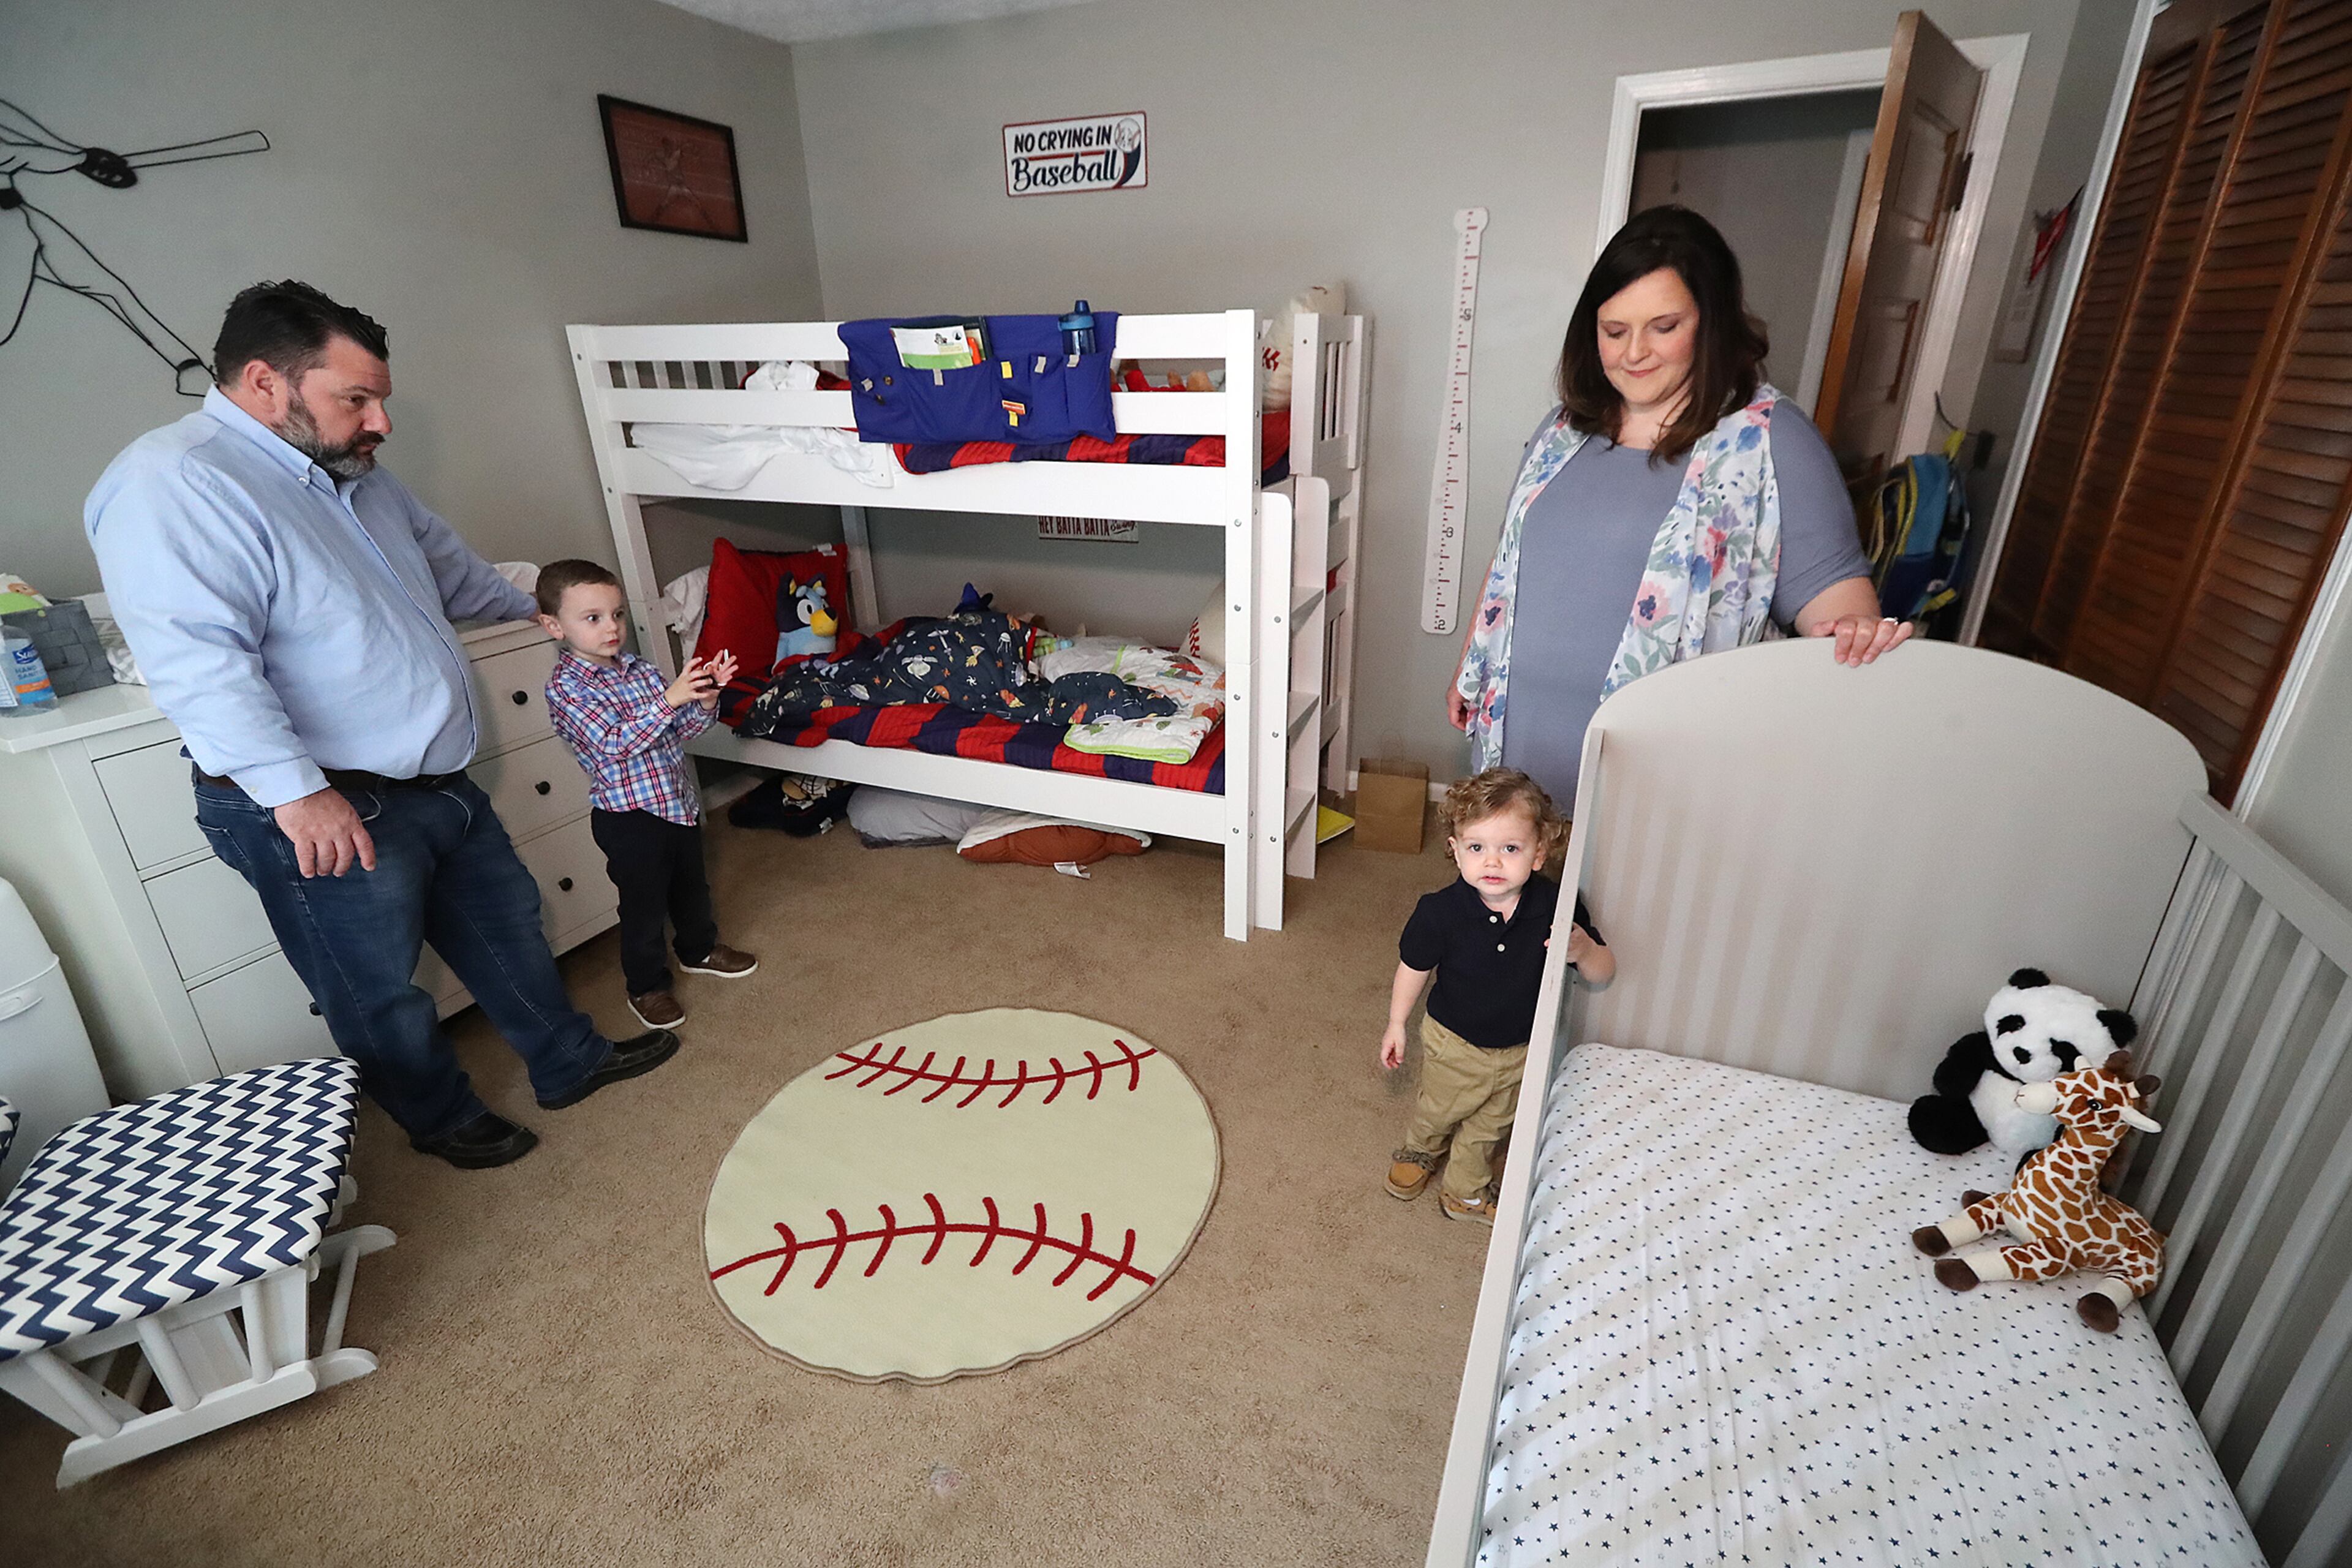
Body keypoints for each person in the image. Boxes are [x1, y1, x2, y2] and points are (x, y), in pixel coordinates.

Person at [84, 281, 678, 1170]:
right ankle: (439, 1118)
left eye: (379, 401)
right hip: (324, 797)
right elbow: (200, 665)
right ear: (264, 382)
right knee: (375, 987)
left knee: (506, 925)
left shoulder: (356, 478)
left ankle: (569, 1061)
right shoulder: (176, 482)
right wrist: (297, 794)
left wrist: (553, 615)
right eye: (355, 399)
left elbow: (458, 575)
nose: (379, 423)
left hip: (433, 781)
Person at [1450, 205, 1911, 809]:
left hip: (1663, 770)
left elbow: (1839, 613)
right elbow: (1512, 556)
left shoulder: (1769, 440)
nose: (1634, 352)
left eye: (1663, 326)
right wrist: (1470, 661)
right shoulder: (1562, 430)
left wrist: (1853, 633)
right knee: (1514, 894)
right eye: (1614, 331)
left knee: (1620, 904)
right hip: (1516, 735)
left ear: (1712, 321)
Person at [1379, 769, 1613, 1226]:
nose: (1493, 862)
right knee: (1440, 1108)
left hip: (1519, 1050)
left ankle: (1463, 1193)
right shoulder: (1439, 911)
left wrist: (1584, 948)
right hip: (1453, 1041)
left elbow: (1604, 970)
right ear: (1456, 850)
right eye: (1476, 848)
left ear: (1539, 853)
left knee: (1490, 1129)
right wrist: (1395, 1023)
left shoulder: (1557, 907)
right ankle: (1421, 1148)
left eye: (1510, 848)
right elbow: (1414, 968)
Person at [535, 559, 758, 1030]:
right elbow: (615, 744)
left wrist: (705, 699)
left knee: (691, 886)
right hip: (628, 817)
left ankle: (698, 948)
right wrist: (670, 699)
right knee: (644, 906)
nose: (612, 627)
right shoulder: (566, 689)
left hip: (674, 803)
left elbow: (681, 732)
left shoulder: (640, 671)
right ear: (555, 626)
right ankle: (646, 985)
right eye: (592, 618)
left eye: (616, 614)